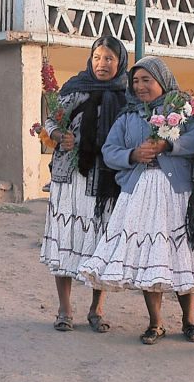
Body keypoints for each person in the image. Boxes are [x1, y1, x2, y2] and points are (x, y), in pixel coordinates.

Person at [78, 56, 194, 345]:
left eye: (146, 80)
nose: (140, 86)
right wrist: (133, 155)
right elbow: (110, 150)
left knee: (179, 252)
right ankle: (156, 323)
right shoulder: (128, 116)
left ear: (161, 80)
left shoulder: (183, 109)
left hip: (176, 191)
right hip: (140, 192)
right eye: (135, 81)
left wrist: (168, 144)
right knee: (152, 255)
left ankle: (189, 320)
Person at [39, 36, 128, 332]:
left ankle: (96, 309)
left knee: (99, 241)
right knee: (66, 239)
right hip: (70, 178)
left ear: (120, 62)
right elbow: (52, 120)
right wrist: (57, 136)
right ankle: (64, 310)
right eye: (97, 58)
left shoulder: (126, 96)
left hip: (104, 179)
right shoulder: (73, 89)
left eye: (109, 59)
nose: (102, 64)